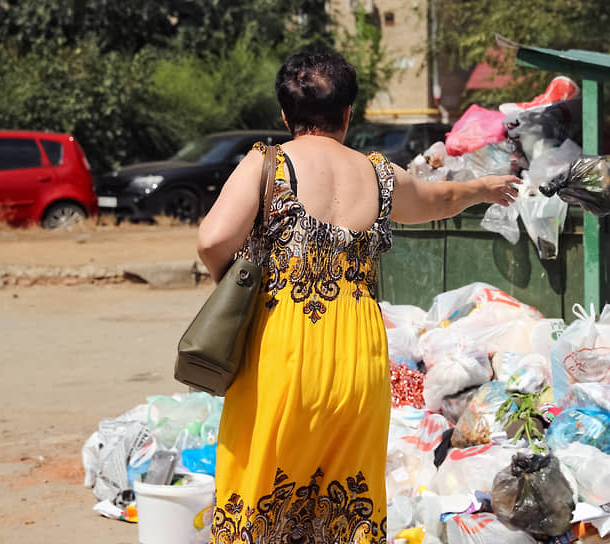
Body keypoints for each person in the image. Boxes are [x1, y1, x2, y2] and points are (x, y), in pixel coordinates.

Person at [196, 46, 519, 544]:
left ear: (286, 114)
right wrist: (485, 187)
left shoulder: (267, 164)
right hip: (358, 358)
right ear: (349, 113)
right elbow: (441, 199)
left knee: (262, 491)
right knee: (344, 505)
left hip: (283, 346)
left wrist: (236, 289)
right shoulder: (379, 174)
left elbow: (213, 239)